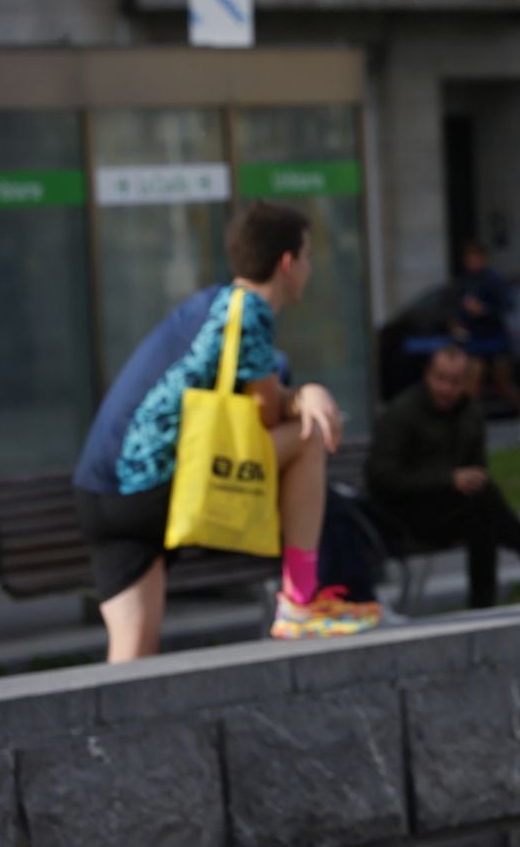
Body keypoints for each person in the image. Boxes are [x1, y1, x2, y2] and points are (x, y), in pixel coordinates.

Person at [72, 202, 367, 661]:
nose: (310, 268)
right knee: (308, 439)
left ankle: (113, 717)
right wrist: (306, 396)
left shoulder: (209, 304)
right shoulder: (250, 311)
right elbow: (265, 416)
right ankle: (299, 602)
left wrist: (297, 394)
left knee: (133, 653)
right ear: (287, 263)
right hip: (150, 489)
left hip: (100, 491)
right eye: (308, 256)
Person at [367, 343, 520, 609]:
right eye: (440, 379)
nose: (446, 388)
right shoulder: (403, 413)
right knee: (483, 504)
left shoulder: (469, 413)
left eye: (455, 381)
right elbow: (382, 476)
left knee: (482, 510)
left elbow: (476, 470)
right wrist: (448, 478)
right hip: (402, 514)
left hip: (450, 508)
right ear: (427, 375)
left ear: (467, 382)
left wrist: (461, 481)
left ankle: (495, 597)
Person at [453, 238, 520, 433]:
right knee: (472, 382)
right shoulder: (465, 281)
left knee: (503, 382)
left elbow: (508, 305)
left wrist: (484, 309)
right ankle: (472, 425)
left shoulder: (493, 280)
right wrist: (459, 322)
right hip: (476, 339)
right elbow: (459, 308)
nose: (471, 262)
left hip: (495, 339)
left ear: (482, 258)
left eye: (474, 257)